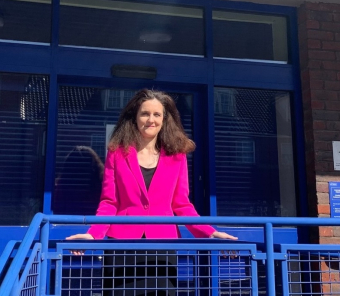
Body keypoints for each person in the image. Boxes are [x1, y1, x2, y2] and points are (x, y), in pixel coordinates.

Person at [66, 89, 236, 295]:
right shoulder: (117, 153)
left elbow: (182, 205)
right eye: (145, 113)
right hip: (122, 245)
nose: (151, 120)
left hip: (162, 245)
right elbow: (109, 203)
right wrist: (92, 235)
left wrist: (210, 232)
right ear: (135, 117)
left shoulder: (177, 156)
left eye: (157, 115)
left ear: (165, 120)